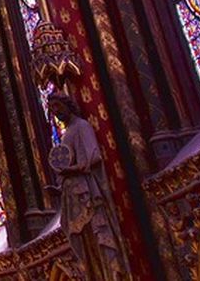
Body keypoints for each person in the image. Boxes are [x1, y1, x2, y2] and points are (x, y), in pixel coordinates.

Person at [47, 93, 127, 281]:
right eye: (52, 109)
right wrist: (58, 189)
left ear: (67, 104)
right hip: (73, 196)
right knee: (84, 246)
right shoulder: (67, 133)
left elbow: (94, 157)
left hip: (86, 192)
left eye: (57, 105)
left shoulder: (81, 126)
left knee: (96, 238)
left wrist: (71, 170)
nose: (55, 111)